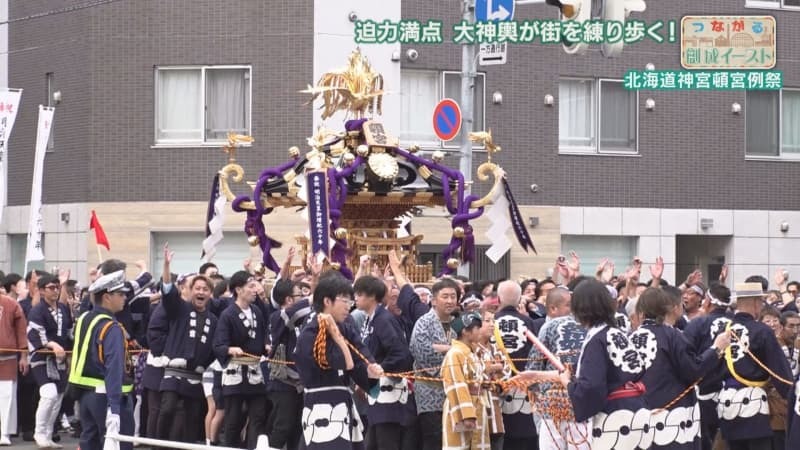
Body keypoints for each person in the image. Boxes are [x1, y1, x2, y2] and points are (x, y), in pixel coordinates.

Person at [631, 287, 731, 449]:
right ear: (668, 308)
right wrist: (715, 349)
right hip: (672, 415)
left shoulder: (632, 336)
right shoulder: (673, 335)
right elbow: (693, 370)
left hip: (638, 412)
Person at [294, 272, 383, 450]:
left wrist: (371, 370)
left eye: (351, 302)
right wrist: (338, 338)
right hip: (321, 404)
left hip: (343, 401)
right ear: (327, 301)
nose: (349, 307)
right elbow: (343, 362)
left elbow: (361, 356)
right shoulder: (310, 333)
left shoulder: (346, 328)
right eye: (345, 301)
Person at [558, 279, 649, 450]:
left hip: (615, 418)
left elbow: (591, 387)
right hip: (638, 410)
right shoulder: (617, 333)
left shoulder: (597, 339)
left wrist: (568, 383)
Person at [712, 282, 793, 450]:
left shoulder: (722, 330)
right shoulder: (762, 331)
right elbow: (780, 371)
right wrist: (791, 395)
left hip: (726, 401)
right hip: (753, 404)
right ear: (757, 303)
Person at [157, 244, 218, 444]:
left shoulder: (214, 320)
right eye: (197, 288)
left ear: (210, 294)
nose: (201, 292)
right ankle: (158, 445)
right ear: (190, 291)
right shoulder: (179, 309)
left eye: (205, 289)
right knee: (167, 410)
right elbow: (167, 292)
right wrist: (166, 266)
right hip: (174, 371)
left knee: (192, 420)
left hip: (196, 375)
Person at [68, 270, 134, 450]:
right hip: (108, 396)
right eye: (120, 294)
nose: (124, 298)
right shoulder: (111, 327)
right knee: (118, 445)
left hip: (85, 395)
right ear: (107, 297)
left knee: (90, 443)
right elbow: (114, 368)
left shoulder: (84, 319)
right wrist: (115, 408)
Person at [353, 275, 414, 450]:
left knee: (386, 441)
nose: (355, 297)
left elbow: (400, 353)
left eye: (359, 294)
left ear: (372, 296)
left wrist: (382, 367)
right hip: (375, 388)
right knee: (372, 442)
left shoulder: (383, 319)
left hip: (389, 390)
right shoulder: (370, 318)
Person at [213, 270, 269, 450]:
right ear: (238, 289)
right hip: (235, 371)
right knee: (233, 419)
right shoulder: (228, 314)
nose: (255, 290)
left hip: (254, 371)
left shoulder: (257, 312)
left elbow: (260, 338)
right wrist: (230, 349)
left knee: (258, 416)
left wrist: (265, 347)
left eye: (255, 285)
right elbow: (218, 345)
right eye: (251, 286)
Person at [409, 278, 459, 450]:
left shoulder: (457, 323)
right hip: (430, 393)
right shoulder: (424, 322)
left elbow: (470, 350)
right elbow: (422, 352)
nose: (450, 300)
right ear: (434, 300)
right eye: (445, 296)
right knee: (433, 440)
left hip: (455, 393)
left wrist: (444, 349)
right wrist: (453, 350)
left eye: (453, 296)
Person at [682, 282, 733, 450]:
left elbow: (685, 359)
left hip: (704, 394)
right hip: (735, 396)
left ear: (708, 302)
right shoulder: (737, 325)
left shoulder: (697, 324)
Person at [27, 273, 74, 449]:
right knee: (49, 394)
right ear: (41, 291)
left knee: (58, 398)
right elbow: (35, 335)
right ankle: (38, 433)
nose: (55, 291)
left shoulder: (63, 308)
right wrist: (52, 344)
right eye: (51, 288)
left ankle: (47, 434)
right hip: (41, 358)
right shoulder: (37, 311)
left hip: (61, 359)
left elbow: (69, 332)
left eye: (57, 287)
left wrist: (70, 353)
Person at [494, 280, 538, 450]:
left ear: (498, 299)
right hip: (525, 384)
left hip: (498, 385)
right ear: (520, 300)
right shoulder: (528, 322)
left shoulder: (492, 322)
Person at [266, 281, 311, 450]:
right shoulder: (278, 316)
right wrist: (314, 297)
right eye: (300, 295)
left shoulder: (302, 319)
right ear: (289, 299)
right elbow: (292, 313)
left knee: (298, 429)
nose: (304, 298)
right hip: (283, 383)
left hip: (300, 383)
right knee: (282, 427)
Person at [441, 311, 489, 450]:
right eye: (477, 328)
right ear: (466, 332)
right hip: (460, 409)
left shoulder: (471, 353)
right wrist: (466, 414)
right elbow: (456, 385)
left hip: (477, 404)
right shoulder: (455, 354)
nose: (480, 331)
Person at [0, 289, 29, 445]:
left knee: (6, 397)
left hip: (8, 357)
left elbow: (21, 331)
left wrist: (24, 356)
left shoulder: (11, 304)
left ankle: (4, 432)